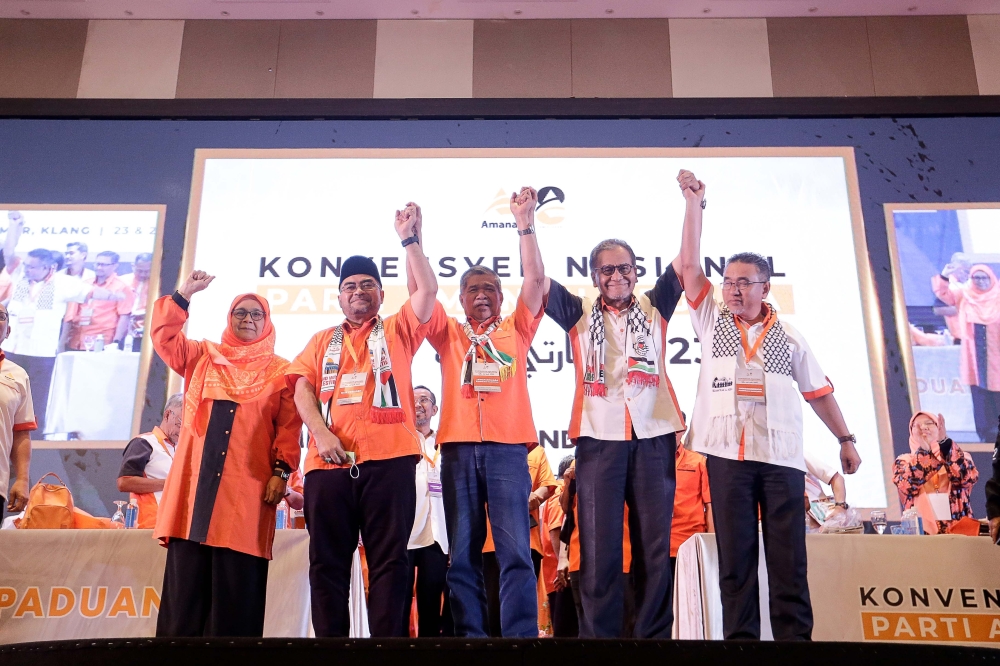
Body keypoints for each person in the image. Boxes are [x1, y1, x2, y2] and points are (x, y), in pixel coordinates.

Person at [677, 169, 862, 641]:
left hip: (780, 462)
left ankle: (794, 648)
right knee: (735, 565)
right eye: (729, 281)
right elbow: (689, 267)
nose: (734, 289)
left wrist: (846, 440)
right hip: (728, 460)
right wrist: (694, 204)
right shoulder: (711, 319)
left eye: (745, 282)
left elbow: (819, 391)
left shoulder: (791, 337)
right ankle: (741, 648)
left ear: (765, 287)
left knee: (788, 563)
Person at [286, 203, 438, 638]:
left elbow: (426, 291)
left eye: (368, 284)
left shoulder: (397, 329)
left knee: (390, 560)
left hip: (389, 460)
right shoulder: (320, 341)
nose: (358, 291)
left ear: (380, 294)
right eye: (349, 286)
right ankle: (331, 650)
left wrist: (409, 240)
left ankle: (385, 650)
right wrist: (321, 434)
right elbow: (302, 389)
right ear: (338, 296)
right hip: (328, 465)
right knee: (328, 562)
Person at [541, 218, 685, 637]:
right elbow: (536, 279)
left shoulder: (655, 306)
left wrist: (694, 204)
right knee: (600, 547)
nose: (617, 276)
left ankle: (653, 638)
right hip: (599, 439)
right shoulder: (578, 314)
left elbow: (688, 262)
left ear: (636, 272)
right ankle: (598, 642)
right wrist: (526, 226)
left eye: (624, 268)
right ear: (594, 277)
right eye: (607, 269)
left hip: (653, 435)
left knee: (655, 548)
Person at [421, 187, 547, 638]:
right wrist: (412, 241)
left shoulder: (517, 328)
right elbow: (423, 291)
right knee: (463, 552)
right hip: (456, 451)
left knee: (515, 550)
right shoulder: (449, 334)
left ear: (500, 296)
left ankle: (519, 639)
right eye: (473, 289)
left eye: (490, 289)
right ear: (462, 297)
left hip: (508, 451)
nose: (482, 295)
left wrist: (525, 224)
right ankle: (470, 638)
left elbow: (535, 280)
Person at [151, 270, 302, 637]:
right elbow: (165, 338)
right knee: (183, 606)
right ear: (229, 319)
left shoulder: (282, 372)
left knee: (236, 602)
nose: (248, 320)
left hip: (244, 497)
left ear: (267, 323)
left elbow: (288, 430)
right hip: (194, 500)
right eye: (240, 313)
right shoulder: (202, 356)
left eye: (256, 315)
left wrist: (281, 474)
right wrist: (184, 294)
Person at [0, 212, 124, 437]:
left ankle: (32, 438)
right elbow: (9, 252)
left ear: (48, 267)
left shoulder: (63, 283)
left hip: (41, 353)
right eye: (27, 266)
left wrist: (120, 296)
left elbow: (93, 293)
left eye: (33, 267)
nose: (28, 270)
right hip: (12, 350)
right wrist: (13, 224)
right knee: (6, 395)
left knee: (36, 397)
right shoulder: (20, 275)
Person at [482, 442, 555, 637]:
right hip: (489, 544)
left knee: (522, 603)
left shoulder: (537, 452)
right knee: (493, 609)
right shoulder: (484, 449)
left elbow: (548, 485)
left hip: (528, 541)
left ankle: (521, 651)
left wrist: (534, 497)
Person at [933, 264, 1000, 442]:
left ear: (991, 278)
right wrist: (945, 275)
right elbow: (943, 296)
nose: (980, 281)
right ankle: (987, 437)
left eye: (984, 277)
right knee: (980, 397)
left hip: (998, 355)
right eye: (976, 277)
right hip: (975, 357)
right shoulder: (965, 294)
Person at [407, 385, 453, 637]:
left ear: (434, 409)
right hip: (404, 532)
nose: (417, 404)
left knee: (431, 600)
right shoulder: (399, 439)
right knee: (399, 599)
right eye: (412, 399)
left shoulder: (447, 443)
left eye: (424, 399)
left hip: (438, 534)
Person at [893, 412, 978, 535]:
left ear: (939, 428)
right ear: (911, 432)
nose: (924, 427)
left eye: (929, 423)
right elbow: (907, 485)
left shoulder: (960, 457)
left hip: (960, 532)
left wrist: (944, 443)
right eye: (917, 425)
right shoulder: (904, 461)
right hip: (921, 534)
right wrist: (924, 452)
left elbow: (965, 478)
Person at [117, 393, 183, 529]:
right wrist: (170, 484)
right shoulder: (144, 442)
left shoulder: (181, 450)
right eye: (180, 423)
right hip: (151, 526)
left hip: (176, 527)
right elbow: (124, 482)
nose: (182, 430)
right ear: (167, 415)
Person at [0, 302, 37, 513]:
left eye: (0, 315)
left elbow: (21, 431)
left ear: (8, 330)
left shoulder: (18, 375)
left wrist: (22, 479)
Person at [62, 251, 135, 351]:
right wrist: (63, 340)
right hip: (76, 340)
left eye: (104, 265)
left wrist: (116, 342)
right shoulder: (85, 284)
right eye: (97, 264)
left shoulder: (122, 287)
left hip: (101, 341)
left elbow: (124, 317)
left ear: (115, 266)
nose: (99, 267)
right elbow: (70, 314)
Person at [541, 455, 577, 638]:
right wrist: (563, 568)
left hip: (560, 576)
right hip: (561, 580)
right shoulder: (559, 494)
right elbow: (557, 531)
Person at [670, 442, 713, 573]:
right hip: (653, 547)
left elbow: (710, 506)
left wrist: (710, 547)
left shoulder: (699, 462)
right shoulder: (647, 461)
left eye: (676, 430)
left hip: (689, 543)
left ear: (684, 428)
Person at [933, 252, 970, 341]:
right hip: (958, 335)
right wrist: (963, 309)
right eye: (965, 271)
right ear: (954, 268)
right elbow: (938, 310)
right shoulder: (946, 285)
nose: (967, 274)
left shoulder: (974, 283)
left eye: (969, 271)